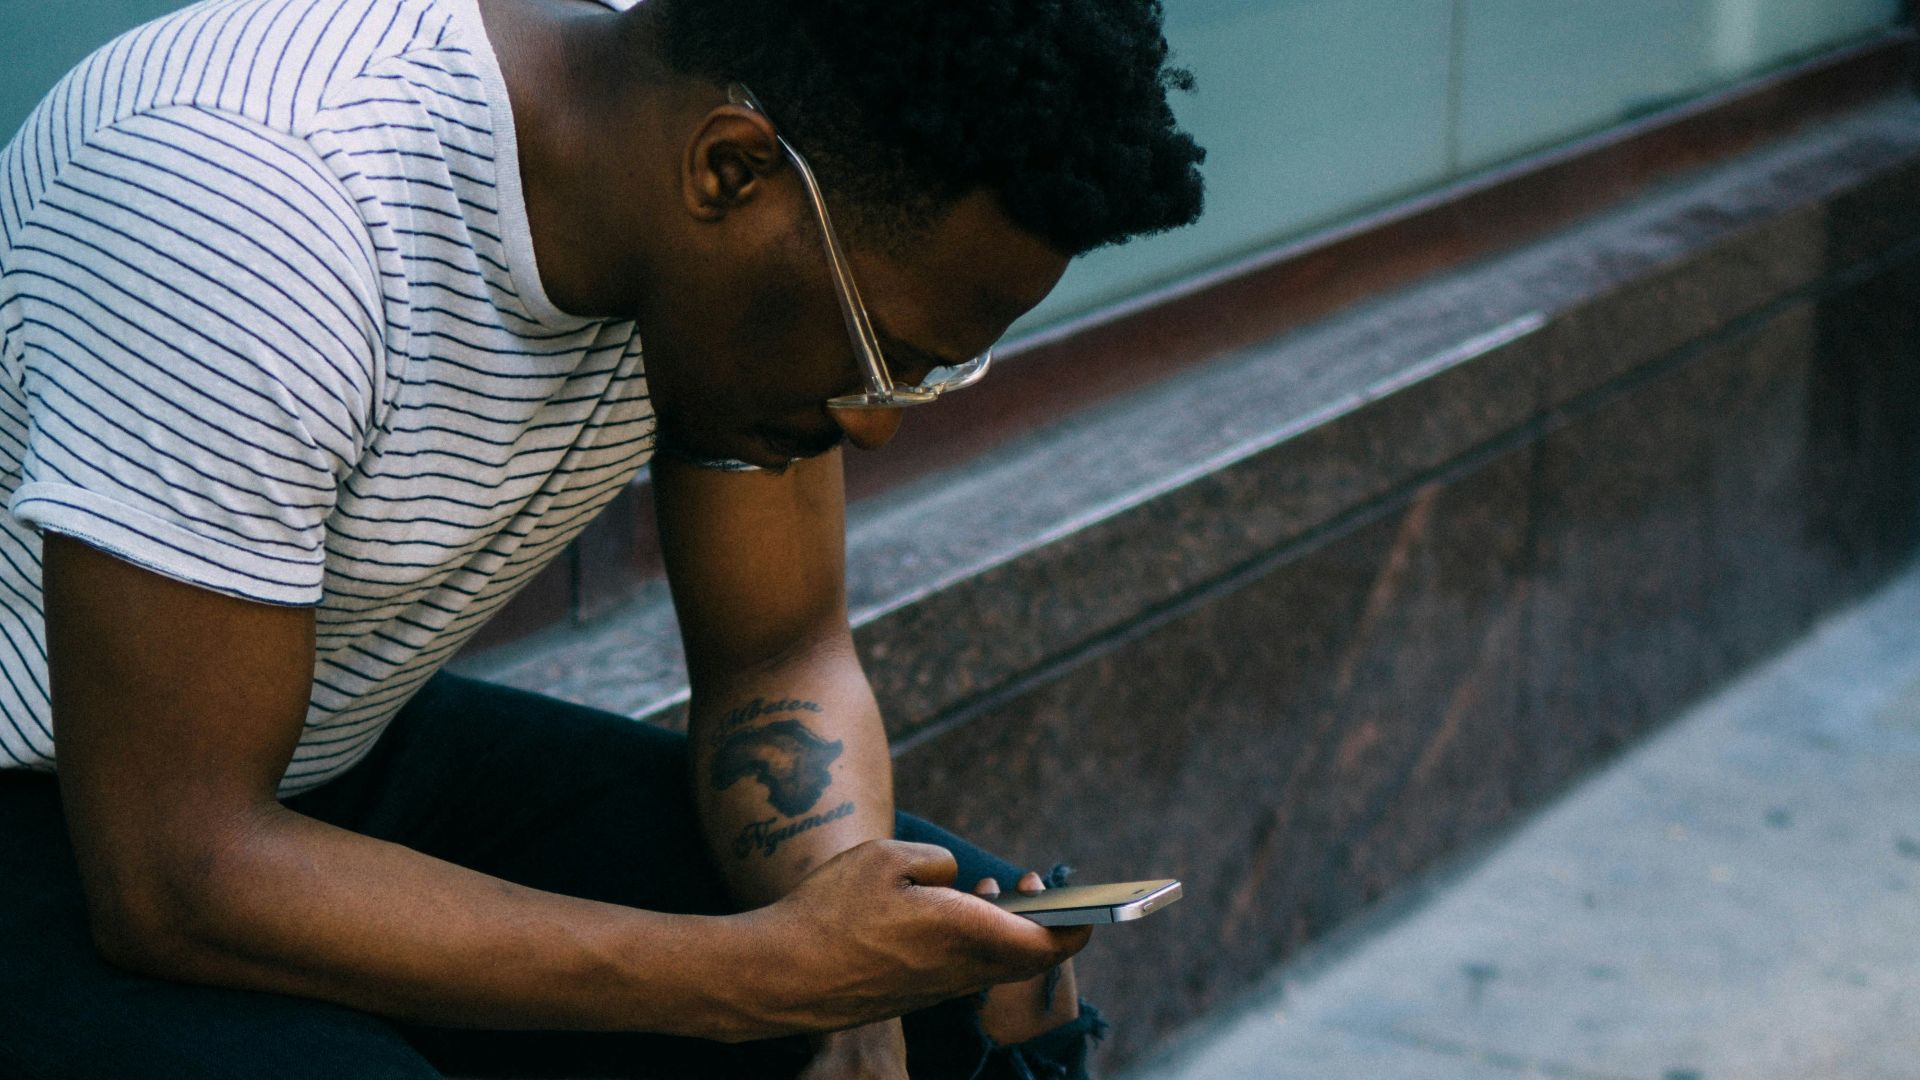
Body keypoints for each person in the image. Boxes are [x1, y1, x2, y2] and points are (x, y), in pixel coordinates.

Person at [0, 0, 1205, 1075]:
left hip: (321, 749)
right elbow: (175, 876)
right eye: (880, 353)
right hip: (83, 815)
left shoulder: (735, 169)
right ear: (730, 174)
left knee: (959, 992)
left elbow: (779, 654)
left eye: (928, 375)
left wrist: (849, 986)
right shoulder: (255, 206)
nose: (871, 425)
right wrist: (754, 980)